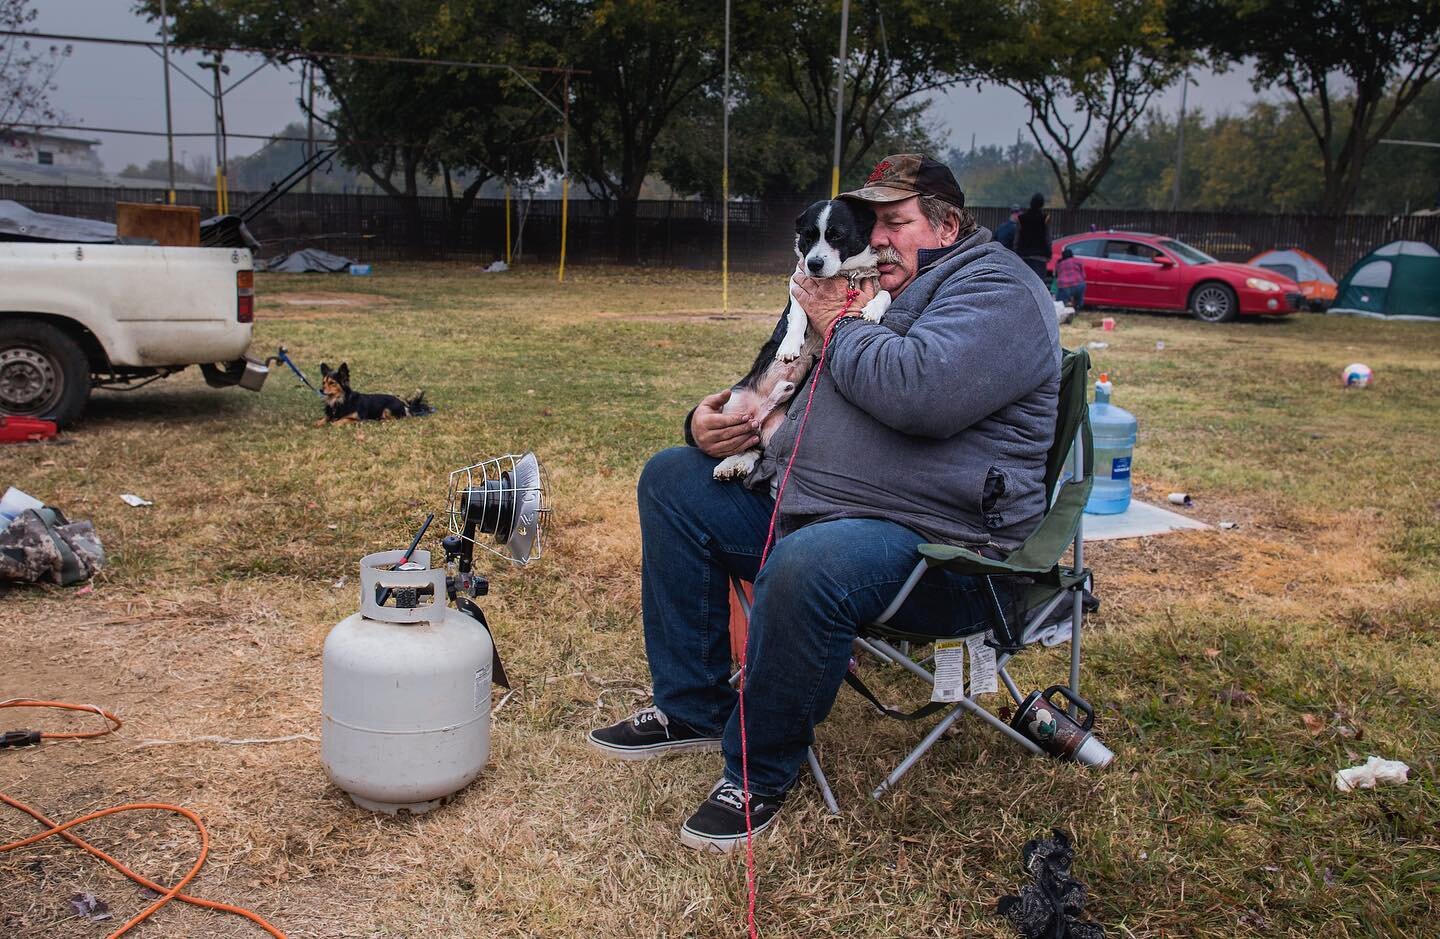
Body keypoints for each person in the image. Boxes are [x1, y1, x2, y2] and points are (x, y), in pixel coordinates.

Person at [587, 153, 1060, 853]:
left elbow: (916, 393)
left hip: (944, 549)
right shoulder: (884, 287)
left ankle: (756, 773)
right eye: (872, 225)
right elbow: (790, 379)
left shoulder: (999, 293)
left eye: (894, 224)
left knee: (811, 562)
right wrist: (708, 423)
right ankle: (691, 705)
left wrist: (837, 323)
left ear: (948, 225)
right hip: (819, 503)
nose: (875, 241)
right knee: (673, 480)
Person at [1015, 192, 1052, 282]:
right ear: (1042, 204)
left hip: (1023, 255)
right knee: (1038, 283)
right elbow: (1048, 237)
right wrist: (1049, 253)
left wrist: (1016, 252)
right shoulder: (1045, 218)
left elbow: (1017, 237)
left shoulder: (1021, 218)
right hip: (1040, 256)